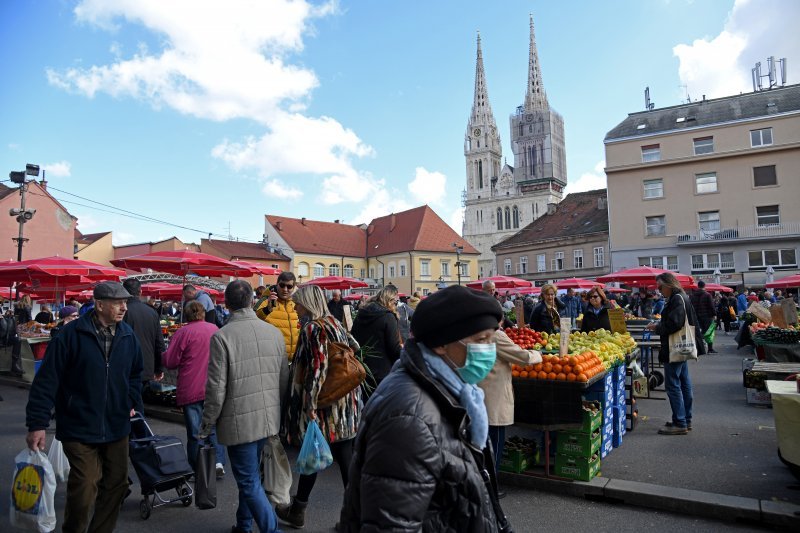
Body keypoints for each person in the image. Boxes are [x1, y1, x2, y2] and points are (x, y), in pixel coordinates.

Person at [338, 285, 507, 531]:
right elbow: (392, 523)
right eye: (482, 340)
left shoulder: (456, 391)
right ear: (441, 344)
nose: (490, 349)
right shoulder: (409, 417)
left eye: (493, 338)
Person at [25, 281, 143, 533]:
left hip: (116, 424)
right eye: (117, 303)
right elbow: (47, 381)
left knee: (117, 485)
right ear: (99, 305)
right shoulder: (70, 335)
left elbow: (135, 374)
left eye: (125, 302)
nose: (124, 307)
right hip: (78, 425)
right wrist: (37, 424)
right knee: (86, 486)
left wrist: (131, 401)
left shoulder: (127, 335)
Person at [200, 280, 288, 533]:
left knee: (248, 480)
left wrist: (207, 424)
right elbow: (283, 379)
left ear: (226, 304)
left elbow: (216, 389)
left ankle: (270, 530)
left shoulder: (222, 337)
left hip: (239, 422)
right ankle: (244, 524)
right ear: (252, 301)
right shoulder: (273, 333)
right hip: (268, 416)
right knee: (251, 478)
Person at [278, 285, 362, 529]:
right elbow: (354, 347)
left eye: (298, 302)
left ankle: (299, 511)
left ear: (308, 303)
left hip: (326, 402)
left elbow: (318, 367)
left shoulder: (314, 328)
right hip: (344, 400)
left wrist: (311, 402)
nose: (295, 305)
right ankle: (353, 517)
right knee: (341, 455)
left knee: (314, 453)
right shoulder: (333, 322)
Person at [162, 300, 226, 479]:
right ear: (203, 313)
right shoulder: (215, 330)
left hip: (190, 388)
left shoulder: (182, 333)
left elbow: (171, 362)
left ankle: (196, 467)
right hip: (214, 386)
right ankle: (218, 461)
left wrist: (162, 355)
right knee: (213, 426)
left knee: (195, 431)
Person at [481, 322, 541, 480]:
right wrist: (538, 354)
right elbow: (523, 357)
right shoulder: (495, 336)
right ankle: (491, 485)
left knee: (483, 444)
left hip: (479, 395)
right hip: (494, 398)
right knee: (495, 442)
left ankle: (484, 483)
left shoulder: (471, 333)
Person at [647, 272, 698, 436]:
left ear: (668, 285)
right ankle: (685, 419)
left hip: (674, 347)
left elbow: (674, 323)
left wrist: (657, 327)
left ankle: (680, 422)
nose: (659, 290)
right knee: (684, 383)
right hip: (681, 347)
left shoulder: (677, 299)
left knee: (673, 385)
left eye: (660, 287)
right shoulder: (682, 297)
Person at [350, 285, 402, 391]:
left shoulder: (361, 313)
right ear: (390, 301)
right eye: (396, 302)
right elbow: (394, 348)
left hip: (361, 369)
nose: (396, 305)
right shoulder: (388, 317)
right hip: (383, 373)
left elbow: (353, 338)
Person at [123, 278, 166, 386]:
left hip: (126, 366)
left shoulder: (121, 312)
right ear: (140, 292)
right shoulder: (151, 312)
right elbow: (159, 343)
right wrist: (159, 368)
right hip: (146, 367)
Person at [257, 272, 299, 360]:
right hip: (274, 359)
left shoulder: (297, 304)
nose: (285, 289)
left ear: (294, 287)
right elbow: (254, 320)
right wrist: (267, 309)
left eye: (289, 286)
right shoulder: (266, 301)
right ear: (277, 285)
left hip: (295, 360)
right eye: (282, 285)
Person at [689, 280, 717, 353]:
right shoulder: (707, 295)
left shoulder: (692, 295)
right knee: (709, 332)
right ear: (704, 286)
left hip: (696, 316)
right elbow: (711, 306)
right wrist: (714, 314)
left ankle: (699, 348)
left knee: (698, 332)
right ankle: (710, 349)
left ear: (698, 286)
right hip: (707, 316)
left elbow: (690, 306)